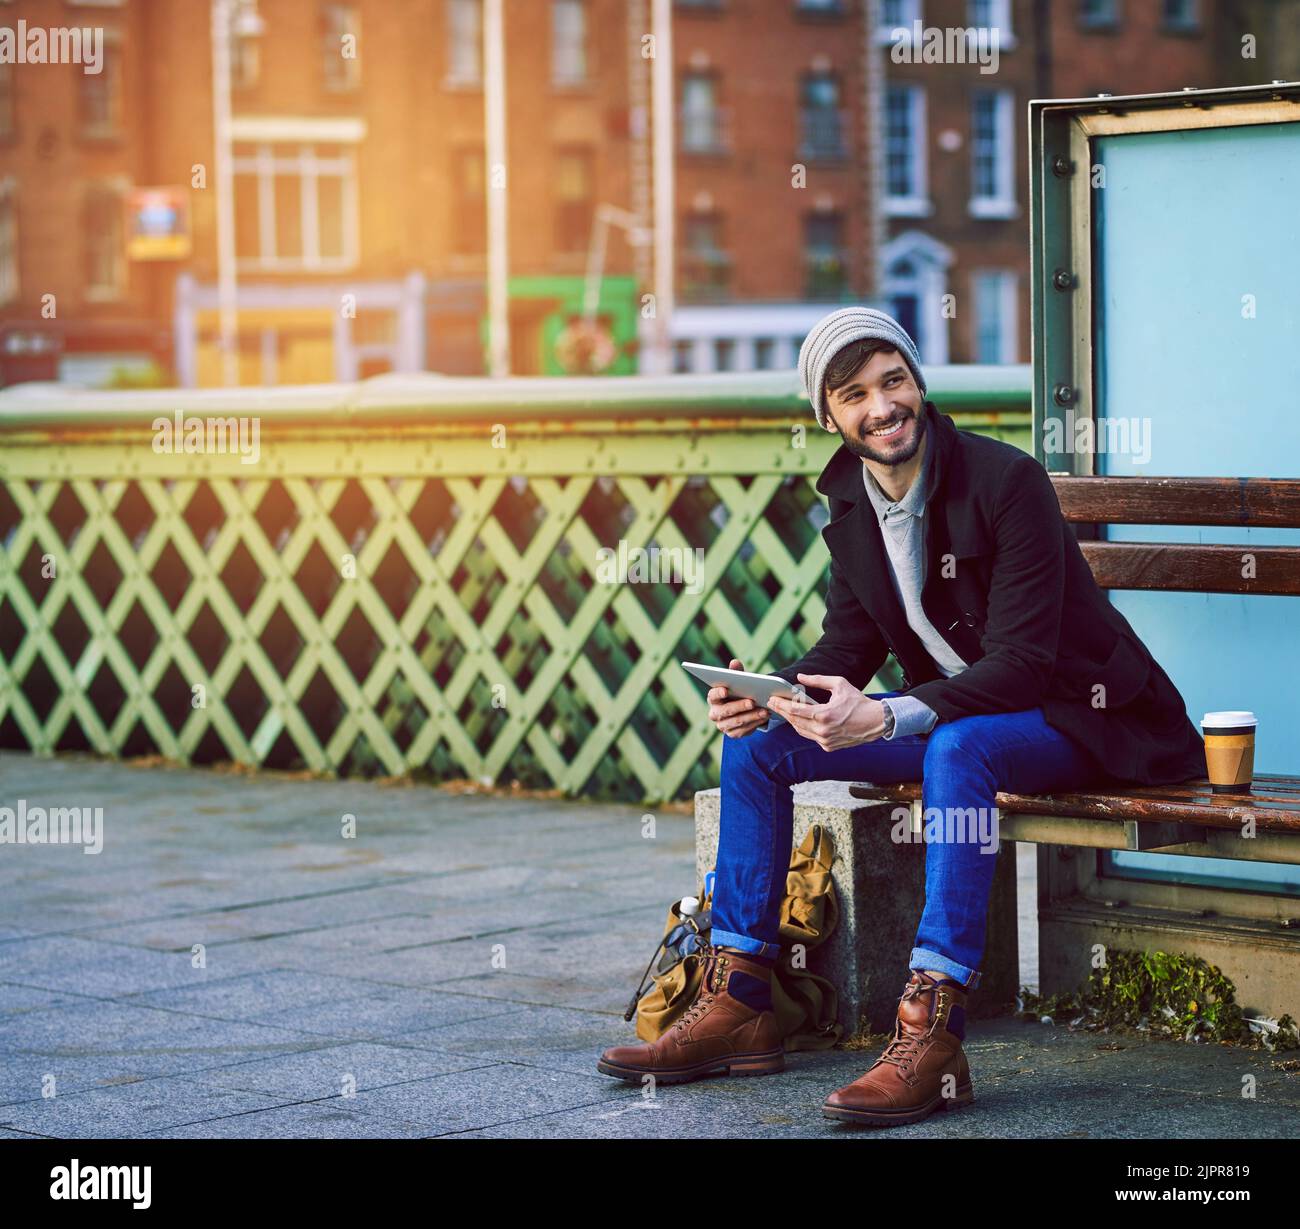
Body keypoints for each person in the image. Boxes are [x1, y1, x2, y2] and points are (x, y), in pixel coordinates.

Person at [596, 307, 1206, 1126]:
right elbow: (845, 648)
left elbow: (1023, 664)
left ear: (918, 383)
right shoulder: (850, 510)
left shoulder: (1004, 481)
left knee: (956, 744)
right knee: (763, 750)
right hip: (965, 727)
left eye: (894, 381)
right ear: (830, 418)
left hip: (1086, 720)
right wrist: (772, 694)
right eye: (855, 394)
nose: (882, 406)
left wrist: (884, 722)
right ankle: (741, 997)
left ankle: (933, 1025)